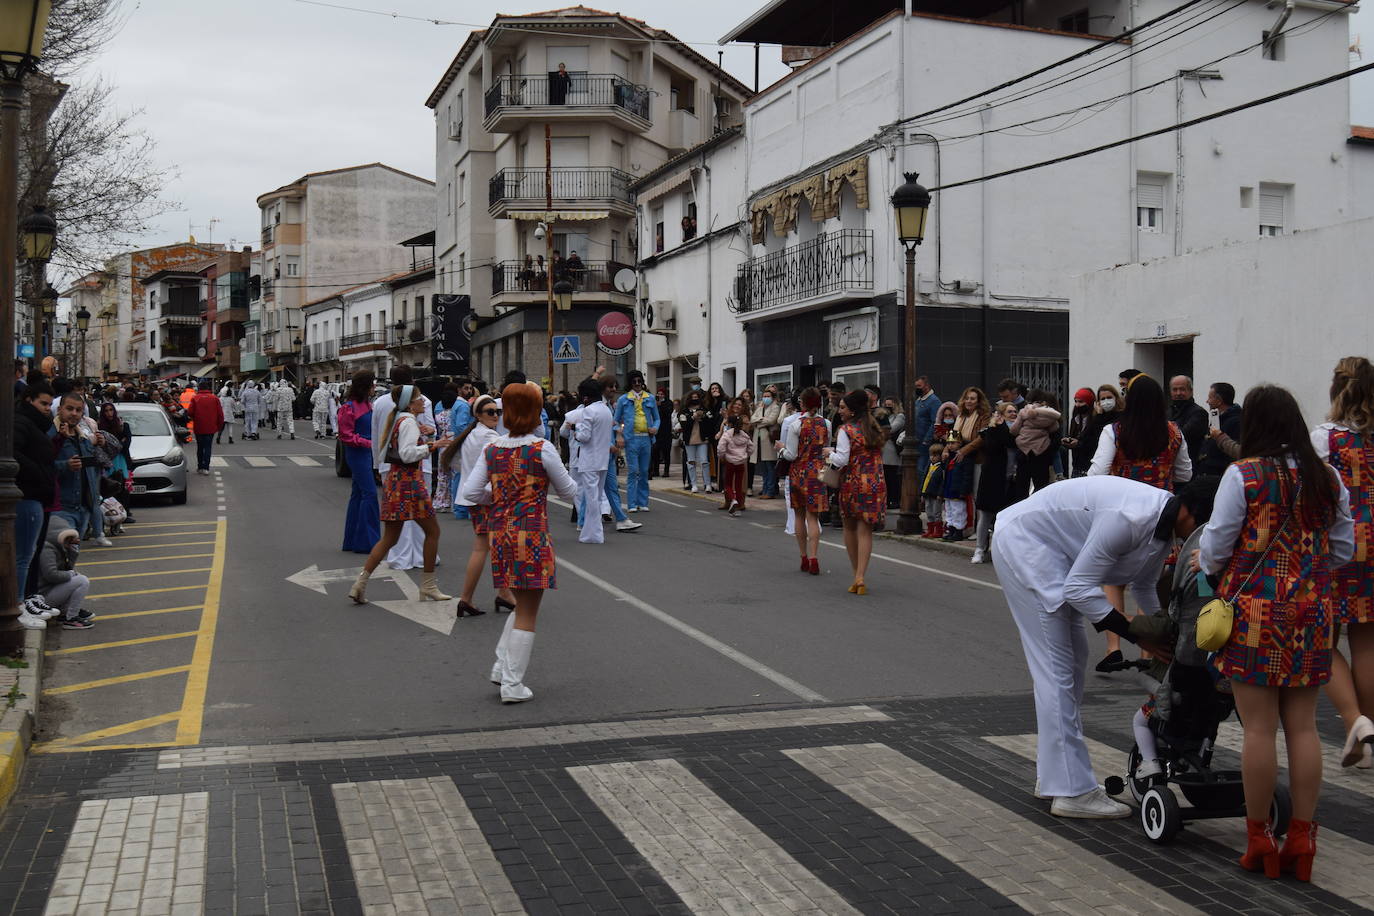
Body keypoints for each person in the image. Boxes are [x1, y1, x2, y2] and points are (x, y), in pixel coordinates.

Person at [1197, 385, 1353, 881]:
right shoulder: (1324, 475)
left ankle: (1259, 837)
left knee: (1259, 730)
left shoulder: (1241, 475)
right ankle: (1303, 838)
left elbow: (1217, 546)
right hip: (1312, 613)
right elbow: (1344, 548)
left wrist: (1214, 568)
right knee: (1303, 728)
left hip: (1254, 614)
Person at [992, 475, 1218, 818]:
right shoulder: (1129, 519)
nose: (1201, 538)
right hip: (1027, 546)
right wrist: (1137, 635)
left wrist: (1167, 631)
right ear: (1192, 513)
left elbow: (1143, 585)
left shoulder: (1162, 526)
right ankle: (1071, 791)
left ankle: (1057, 777)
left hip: (1050, 555)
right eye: (1204, 527)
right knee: (1057, 672)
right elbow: (1079, 589)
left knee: (1070, 663)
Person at [460, 382, 579, 703]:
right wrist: (540, 489)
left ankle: (502, 668)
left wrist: (497, 495)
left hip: (500, 532)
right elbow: (569, 492)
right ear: (535, 412)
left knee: (522, 604)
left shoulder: (493, 448)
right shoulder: (543, 448)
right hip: (532, 531)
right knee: (528, 610)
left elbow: (470, 493)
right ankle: (513, 684)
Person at [1311, 358, 1374, 771]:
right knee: (1367, 639)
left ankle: (1355, 722)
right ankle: (1371, 731)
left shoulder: (1323, 438)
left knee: (1322, 638)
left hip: (1340, 541)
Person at [349, 384, 455, 604]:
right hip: (410, 484)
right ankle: (428, 586)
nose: (423, 402)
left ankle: (360, 583)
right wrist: (433, 446)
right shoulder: (408, 422)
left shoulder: (399, 419)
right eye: (419, 399)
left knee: (389, 538)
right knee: (433, 532)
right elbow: (407, 454)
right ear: (409, 403)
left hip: (396, 484)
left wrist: (427, 437)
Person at [444, 394, 516, 617]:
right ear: (478, 415)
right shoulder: (490, 437)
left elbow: (455, 462)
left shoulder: (472, 435)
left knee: (493, 546)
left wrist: (467, 476)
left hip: (474, 498)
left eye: (497, 412)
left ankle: (502, 593)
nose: (495, 416)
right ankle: (468, 598)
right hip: (487, 498)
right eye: (490, 412)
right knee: (485, 547)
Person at [1089, 374, 1193, 490]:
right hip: (1162, 503)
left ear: (1129, 400)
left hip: (1123, 502)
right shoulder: (1174, 431)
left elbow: (1098, 473)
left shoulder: (1113, 431)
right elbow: (1184, 475)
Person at [827, 389, 885, 593]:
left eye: (842, 408)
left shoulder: (846, 430)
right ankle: (861, 575)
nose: (839, 411)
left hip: (853, 482)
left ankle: (856, 575)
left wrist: (829, 454)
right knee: (865, 531)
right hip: (875, 482)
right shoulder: (874, 428)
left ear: (852, 410)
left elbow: (842, 459)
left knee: (849, 528)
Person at [14, 381, 58, 629]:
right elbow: (13, 452)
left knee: (28, 554)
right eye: (43, 403)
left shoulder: (35, 425)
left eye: (49, 404)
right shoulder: (21, 423)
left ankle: (25, 600)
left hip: (35, 495)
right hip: (27, 495)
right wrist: (39, 474)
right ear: (28, 400)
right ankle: (19, 605)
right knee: (23, 556)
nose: (47, 409)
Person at [782, 387, 830, 575]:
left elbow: (791, 454)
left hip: (799, 472)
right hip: (818, 473)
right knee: (813, 517)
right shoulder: (826, 423)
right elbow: (826, 448)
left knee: (800, 516)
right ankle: (814, 557)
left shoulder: (796, 425)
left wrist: (780, 449)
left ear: (803, 403)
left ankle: (803, 557)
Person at [337, 371, 380, 554]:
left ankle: (354, 540)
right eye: (372, 384)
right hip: (357, 453)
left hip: (366, 453)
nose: (375, 387)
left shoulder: (367, 405)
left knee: (358, 495)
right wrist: (368, 443)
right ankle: (367, 542)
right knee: (369, 494)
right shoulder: (349, 407)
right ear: (365, 386)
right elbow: (345, 436)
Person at [972, 402, 1020, 564]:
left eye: (1015, 411)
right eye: (1010, 411)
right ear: (1001, 414)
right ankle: (979, 549)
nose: (1013, 414)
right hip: (993, 478)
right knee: (985, 515)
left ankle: (1001, 550)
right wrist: (1001, 427)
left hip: (1012, 479)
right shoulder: (993, 430)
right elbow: (995, 446)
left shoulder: (1020, 430)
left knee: (1006, 518)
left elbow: (1013, 442)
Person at [945, 387, 993, 542]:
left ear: (979, 401)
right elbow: (953, 434)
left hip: (976, 457)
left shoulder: (984, 416)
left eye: (973, 398)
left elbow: (981, 438)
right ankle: (963, 527)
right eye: (967, 398)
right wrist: (946, 448)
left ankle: (979, 528)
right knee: (962, 495)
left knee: (976, 494)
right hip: (959, 458)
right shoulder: (961, 416)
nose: (969, 401)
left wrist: (964, 450)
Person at [573, 377, 614, 543]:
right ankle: (590, 533)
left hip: (590, 459)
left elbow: (584, 437)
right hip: (603, 458)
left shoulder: (588, 411)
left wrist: (576, 430)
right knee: (595, 497)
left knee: (591, 499)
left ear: (585, 397)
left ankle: (595, 534)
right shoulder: (606, 410)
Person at [613, 370, 659, 513]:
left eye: (640, 381)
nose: (638, 384)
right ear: (630, 383)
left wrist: (655, 428)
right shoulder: (623, 399)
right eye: (634, 381)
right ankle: (632, 504)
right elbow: (615, 421)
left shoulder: (650, 398)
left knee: (644, 471)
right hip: (631, 438)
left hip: (646, 438)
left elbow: (657, 418)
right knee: (633, 471)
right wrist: (619, 435)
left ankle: (643, 502)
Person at [37, 526, 94, 630]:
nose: (72, 541)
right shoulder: (47, 549)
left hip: (49, 590)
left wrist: (73, 553)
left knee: (78, 578)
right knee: (82, 580)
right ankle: (71, 618)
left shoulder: (59, 547)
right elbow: (51, 575)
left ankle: (66, 612)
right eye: (68, 539)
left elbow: (67, 569)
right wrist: (71, 574)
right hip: (42, 595)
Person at [1010, 390, 1061, 495]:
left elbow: (1014, 430)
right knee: (1041, 487)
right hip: (1041, 452)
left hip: (1024, 452)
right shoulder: (1049, 416)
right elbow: (1055, 428)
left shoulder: (1023, 412)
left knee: (1022, 487)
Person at [1198, 382, 1243, 477]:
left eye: (1210, 398)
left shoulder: (1236, 422)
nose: (1207, 401)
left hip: (1220, 475)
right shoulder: (1217, 419)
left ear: (1219, 401)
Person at [676, 388, 715, 493]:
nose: (695, 399)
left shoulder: (705, 409)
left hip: (702, 439)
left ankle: (707, 484)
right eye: (693, 397)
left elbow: (711, 422)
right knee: (691, 462)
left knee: (704, 461)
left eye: (697, 397)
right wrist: (693, 417)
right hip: (690, 439)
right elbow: (684, 424)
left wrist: (703, 416)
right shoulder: (684, 411)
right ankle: (693, 484)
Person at [716, 410, 754, 516]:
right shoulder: (744, 435)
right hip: (741, 462)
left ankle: (733, 500)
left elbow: (720, 448)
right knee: (738, 484)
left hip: (730, 462)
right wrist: (746, 455)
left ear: (730, 424)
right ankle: (737, 505)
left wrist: (722, 456)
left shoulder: (727, 434)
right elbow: (751, 447)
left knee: (727, 483)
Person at [1169, 375, 1210, 465]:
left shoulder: (1199, 413)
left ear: (1191, 391)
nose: (1178, 393)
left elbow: (1181, 436)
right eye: (1175, 390)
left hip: (1189, 464)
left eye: (1182, 389)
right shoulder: (1168, 412)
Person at [751, 385, 783, 499]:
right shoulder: (760, 407)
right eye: (764, 396)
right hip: (758, 440)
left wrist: (758, 421)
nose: (765, 398)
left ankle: (770, 491)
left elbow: (771, 420)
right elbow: (752, 419)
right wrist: (760, 420)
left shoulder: (775, 407)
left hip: (768, 440)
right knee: (763, 467)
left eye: (768, 396)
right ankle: (764, 490)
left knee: (770, 466)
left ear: (773, 397)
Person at [187, 381, 225, 476]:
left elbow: (190, 412)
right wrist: (219, 426)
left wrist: (195, 418)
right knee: (208, 447)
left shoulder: (195, 398)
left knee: (200, 447)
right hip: (211, 427)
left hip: (199, 426)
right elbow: (220, 414)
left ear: (199, 389)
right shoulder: (215, 398)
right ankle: (206, 468)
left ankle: (200, 466)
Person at [1061, 389, 1095, 477]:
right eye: (1076, 401)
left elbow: (1094, 442)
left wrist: (1079, 444)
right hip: (1077, 466)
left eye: (1081, 402)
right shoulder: (1075, 419)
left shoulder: (1095, 421)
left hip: (1090, 466)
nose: (1077, 405)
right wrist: (1069, 441)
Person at [879, 396, 905, 510]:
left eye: (890, 405)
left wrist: (882, 431)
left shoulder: (899, 416)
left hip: (892, 450)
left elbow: (892, 429)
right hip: (883, 448)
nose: (888, 407)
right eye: (886, 405)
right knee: (886, 476)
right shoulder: (885, 416)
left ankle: (894, 500)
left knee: (892, 477)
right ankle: (888, 498)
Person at [652, 388, 674, 478]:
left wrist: (661, 405)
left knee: (666, 452)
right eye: (658, 394)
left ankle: (666, 471)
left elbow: (668, 413)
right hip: (657, 430)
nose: (660, 395)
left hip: (666, 431)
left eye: (662, 394)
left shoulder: (669, 403)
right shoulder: (654, 403)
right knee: (655, 451)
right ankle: (655, 470)